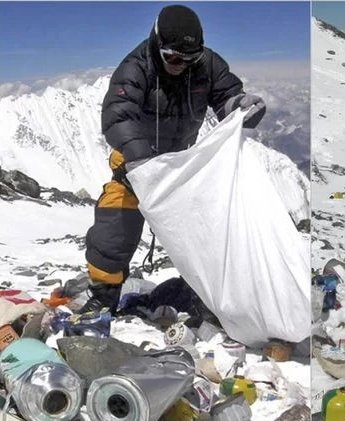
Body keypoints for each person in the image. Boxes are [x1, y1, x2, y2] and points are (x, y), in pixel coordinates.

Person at [81, 4, 266, 314]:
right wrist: (140, 160)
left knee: (208, 229)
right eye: (173, 57)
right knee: (115, 227)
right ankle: (104, 294)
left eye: (190, 58)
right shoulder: (135, 69)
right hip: (134, 168)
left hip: (182, 167)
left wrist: (240, 106)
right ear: (157, 43)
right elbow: (117, 116)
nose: (181, 64)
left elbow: (225, 97)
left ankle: (208, 294)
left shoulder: (207, 65)